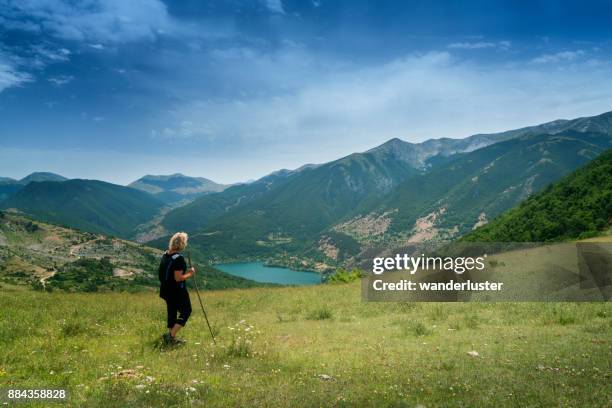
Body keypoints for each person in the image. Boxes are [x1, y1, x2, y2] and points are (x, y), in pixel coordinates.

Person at [158, 232, 195, 345]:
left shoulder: (166, 254)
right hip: (177, 291)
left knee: (172, 312)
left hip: (165, 290)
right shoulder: (178, 259)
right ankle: (170, 336)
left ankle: (171, 340)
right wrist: (190, 273)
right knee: (186, 311)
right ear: (183, 243)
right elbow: (178, 278)